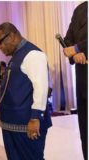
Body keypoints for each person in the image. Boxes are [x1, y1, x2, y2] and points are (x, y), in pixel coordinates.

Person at [0, 22, 52, 159]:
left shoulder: (33, 54)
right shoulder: (17, 55)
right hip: (12, 123)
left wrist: (35, 117)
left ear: (13, 36)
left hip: (26, 125)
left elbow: (41, 87)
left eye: (0, 42)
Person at [63, 2, 88, 160]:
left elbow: (74, 46)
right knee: (85, 130)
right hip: (83, 77)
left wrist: (78, 48)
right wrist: (74, 54)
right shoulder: (80, 9)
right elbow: (67, 41)